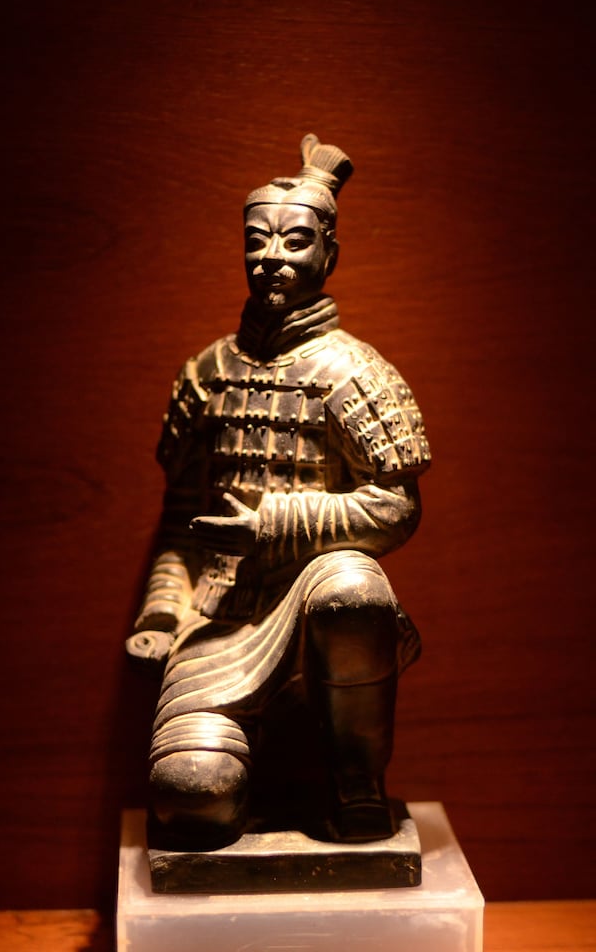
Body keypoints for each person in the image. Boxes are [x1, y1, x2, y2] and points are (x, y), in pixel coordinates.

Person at [127, 134, 431, 851]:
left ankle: (358, 778)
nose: (272, 257)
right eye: (257, 240)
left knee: (353, 585)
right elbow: (180, 517)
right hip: (222, 617)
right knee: (191, 796)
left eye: (295, 241)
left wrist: (273, 523)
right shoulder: (206, 373)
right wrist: (163, 610)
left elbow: (396, 505)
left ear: (330, 253)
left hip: (317, 599)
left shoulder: (353, 371)